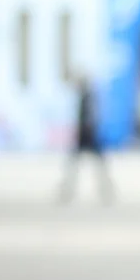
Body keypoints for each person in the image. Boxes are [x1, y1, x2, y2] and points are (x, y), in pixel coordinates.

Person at [58, 76, 114, 204]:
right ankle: (104, 191)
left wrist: (88, 131)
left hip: (87, 136)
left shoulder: (88, 97)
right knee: (92, 166)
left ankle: (105, 191)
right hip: (87, 136)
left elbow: (90, 118)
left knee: (83, 166)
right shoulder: (87, 96)